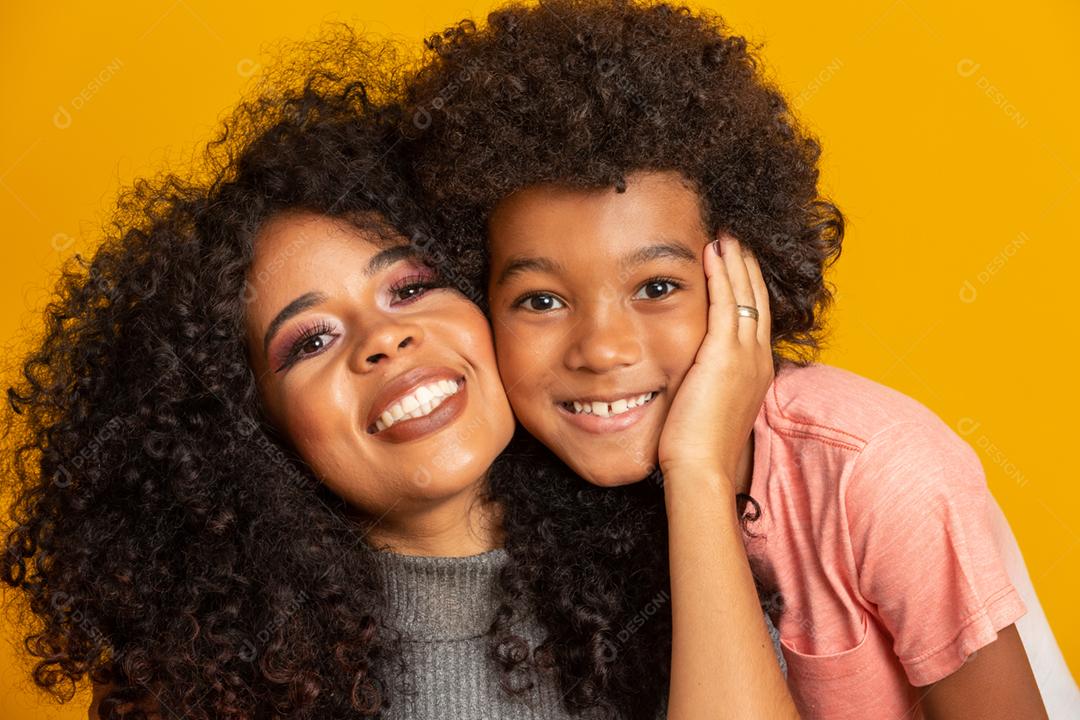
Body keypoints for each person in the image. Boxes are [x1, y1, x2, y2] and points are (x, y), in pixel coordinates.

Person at [3, 31, 784, 720]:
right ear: (253, 426)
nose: (383, 340)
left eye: (410, 289)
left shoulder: (683, 567)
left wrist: (698, 474)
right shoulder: (221, 682)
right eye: (310, 340)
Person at [399, 0, 1066, 716]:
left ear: (745, 282)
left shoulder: (879, 476)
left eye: (657, 288)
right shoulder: (506, 480)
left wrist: (698, 471)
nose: (602, 350)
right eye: (541, 300)